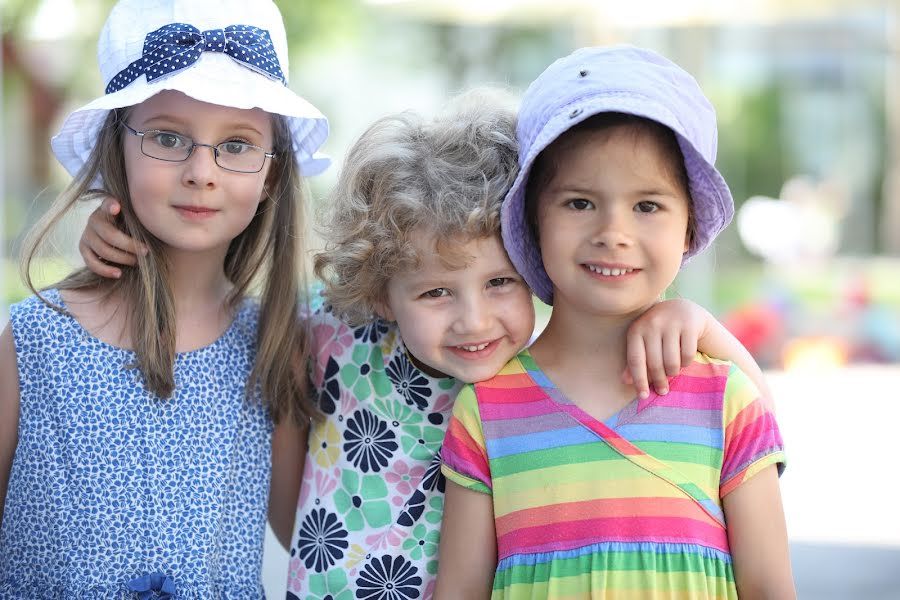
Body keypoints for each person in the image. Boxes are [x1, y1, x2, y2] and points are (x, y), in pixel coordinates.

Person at [78, 92, 772, 599]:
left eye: (500, 282)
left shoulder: (542, 382)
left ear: (532, 261)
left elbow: (752, 424)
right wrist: (110, 240)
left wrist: (699, 323)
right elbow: (215, 313)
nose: (474, 321)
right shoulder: (332, 335)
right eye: (436, 293)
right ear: (382, 292)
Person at [436, 46, 795, 599]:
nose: (613, 232)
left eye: (647, 205)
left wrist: (703, 328)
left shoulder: (725, 397)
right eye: (579, 203)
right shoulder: (486, 410)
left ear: (689, 225)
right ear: (533, 217)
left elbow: (771, 588)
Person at [0, 0, 328, 596]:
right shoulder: (34, 337)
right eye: (168, 137)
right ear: (114, 148)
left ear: (272, 174)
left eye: (236, 144)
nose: (202, 171)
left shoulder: (275, 344)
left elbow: (300, 527)